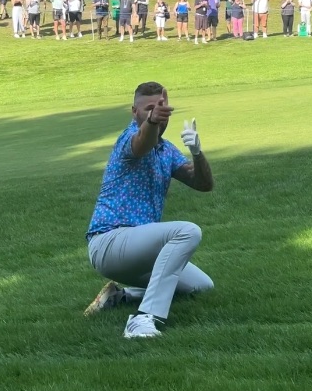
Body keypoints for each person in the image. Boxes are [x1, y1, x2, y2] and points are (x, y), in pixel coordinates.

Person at [84, 81, 214, 338]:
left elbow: (203, 184)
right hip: (109, 242)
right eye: (148, 109)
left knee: (202, 286)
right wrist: (152, 122)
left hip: (138, 250)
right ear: (135, 112)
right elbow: (142, 144)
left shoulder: (166, 150)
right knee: (188, 231)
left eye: (159, 108)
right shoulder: (129, 137)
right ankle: (143, 320)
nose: (154, 112)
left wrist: (197, 153)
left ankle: (121, 296)